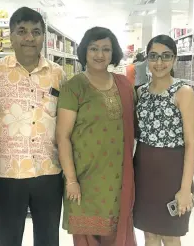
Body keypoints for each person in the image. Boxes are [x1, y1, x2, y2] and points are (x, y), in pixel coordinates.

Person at [0, 7, 65, 246]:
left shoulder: (57, 74)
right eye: (22, 31)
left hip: (48, 171)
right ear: (11, 35)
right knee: (7, 238)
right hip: (7, 172)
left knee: (48, 238)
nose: (29, 38)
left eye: (36, 32)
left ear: (43, 37)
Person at [56, 26, 136, 246]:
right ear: (84, 51)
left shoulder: (125, 85)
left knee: (118, 235)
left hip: (119, 179)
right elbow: (62, 136)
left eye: (105, 49)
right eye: (94, 48)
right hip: (85, 180)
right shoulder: (74, 87)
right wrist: (71, 180)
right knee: (87, 238)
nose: (100, 55)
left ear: (113, 53)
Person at [133, 34, 194, 246]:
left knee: (170, 235)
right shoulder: (141, 92)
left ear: (175, 59)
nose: (159, 63)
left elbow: (191, 144)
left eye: (166, 56)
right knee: (149, 233)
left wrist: (185, 188)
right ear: (147, 60)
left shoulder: (183, 92)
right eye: (153, 56)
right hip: (143, 172)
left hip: (172, 172)